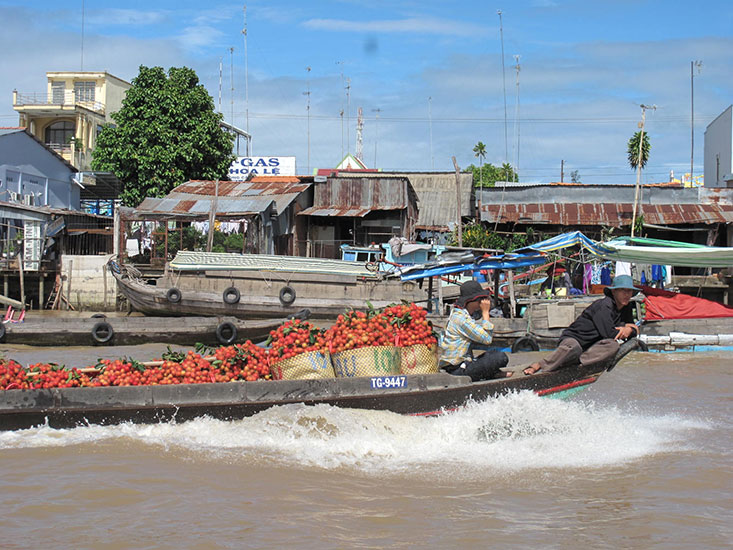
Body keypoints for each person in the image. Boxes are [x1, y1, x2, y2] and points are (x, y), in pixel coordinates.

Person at [523, 274, 640, 375]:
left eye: (629, 291)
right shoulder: (604, 306)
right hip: (574, 340)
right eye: (623, 291)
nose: (626, 294)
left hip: (591, 348)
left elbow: (633, 329)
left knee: (612, 346)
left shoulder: (626, 307)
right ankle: (540, 365)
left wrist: (630, 330)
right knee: (573, 348)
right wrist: (628, 330)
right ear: (614, 291)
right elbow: (609, 333)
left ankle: (578, 363)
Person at [439, 280, 513, 381]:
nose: (482, 301)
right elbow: (487, 339)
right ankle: (491, 375)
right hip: (457, 370)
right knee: (500, 357)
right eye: (480, 299)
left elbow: (476, 318)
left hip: (464, 364)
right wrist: (485, 312)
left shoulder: (463, 314)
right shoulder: (461, 319)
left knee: (492, 354)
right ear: (471, 301)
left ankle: (492, 374)